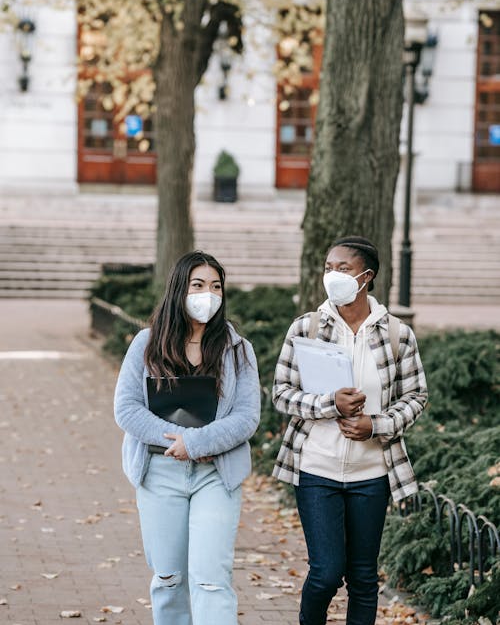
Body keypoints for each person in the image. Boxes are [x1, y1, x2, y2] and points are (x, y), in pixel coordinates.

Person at [272, 236, 427, 625]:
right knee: (325, 573)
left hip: (371, 476)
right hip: (316, 470)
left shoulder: (397, 335)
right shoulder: (305, 327)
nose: (333, 276)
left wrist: (376, 425)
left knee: (362, 577)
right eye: (328, 268)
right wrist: (330, 405)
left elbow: (416, 397)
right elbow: (282, 394)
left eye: (343, 268)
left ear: (366, 276)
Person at [114, 250, 261, 625]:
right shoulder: (146, 345)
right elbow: (128, 410)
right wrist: (179, 441)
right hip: (159, 474)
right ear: (180, 289)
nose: (207, 294)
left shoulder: (237, 349)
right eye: (198, 285)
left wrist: (196, 445)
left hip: (216, 475)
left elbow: (247, 417)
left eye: (216, 286)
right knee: (168, 579)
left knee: (212, 580)